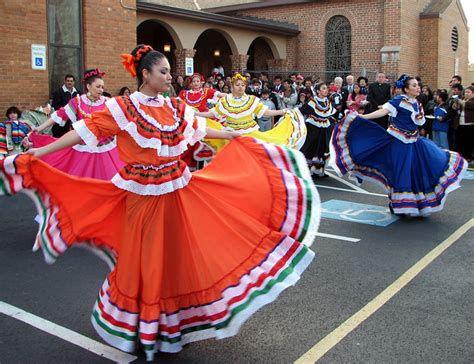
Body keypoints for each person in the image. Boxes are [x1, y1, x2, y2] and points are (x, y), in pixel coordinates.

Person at [0, 44, 319, 360]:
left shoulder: (173, 108)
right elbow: (84, 132)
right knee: (147, 261)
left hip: (178, 191)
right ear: (146, 74)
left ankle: (172, 324)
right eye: (164, 71)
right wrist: (41, 151)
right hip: (143, 196)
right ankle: (147, 326)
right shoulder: (124, 107)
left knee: (177, 258)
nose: (170, 76)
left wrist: (233, 136)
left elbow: (200, 127)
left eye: (169, 71)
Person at [331, 74, 467, 216]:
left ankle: (417, 203)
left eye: (417, 85)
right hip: (398, 143)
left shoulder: (417, 103)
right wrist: (363, 117)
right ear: (406, 89)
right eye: (414, 85)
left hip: (415, 143)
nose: (417, 88)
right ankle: (399, 203)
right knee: (401, 173)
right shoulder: (399, 101)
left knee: (419, 170)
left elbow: (418, 122)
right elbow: (383, 111)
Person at [29, 68, 124, 180]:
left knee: (109, 179)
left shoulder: (107, 101)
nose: (101, 90)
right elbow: (60, 114)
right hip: (82, 148)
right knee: (79, 180)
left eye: (102, 87)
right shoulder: (77, 101)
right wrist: (39, 128)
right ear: (88, 86)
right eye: (98, 87)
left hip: (105, 149)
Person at [196, 73, 306, 150]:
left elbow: (265, 112)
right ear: (232, 86)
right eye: (237, 85)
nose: (240, 87)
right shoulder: (225, 101)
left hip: (249, 134)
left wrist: (282, 111)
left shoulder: (250, 100)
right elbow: (212, 114)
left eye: (243, 85)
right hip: (230, 135)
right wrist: (195, 114)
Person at [299, 82, 338, 177]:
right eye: (324, 88)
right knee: (310, 147)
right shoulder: (313, 101)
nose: (326, 90)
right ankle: (307, 169)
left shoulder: (327, 101)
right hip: (313, 127)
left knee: (323, 148)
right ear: (318, 91)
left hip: (324, 128)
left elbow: (332, 112)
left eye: (326, 88)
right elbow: (302, 111)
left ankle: (319, 170)